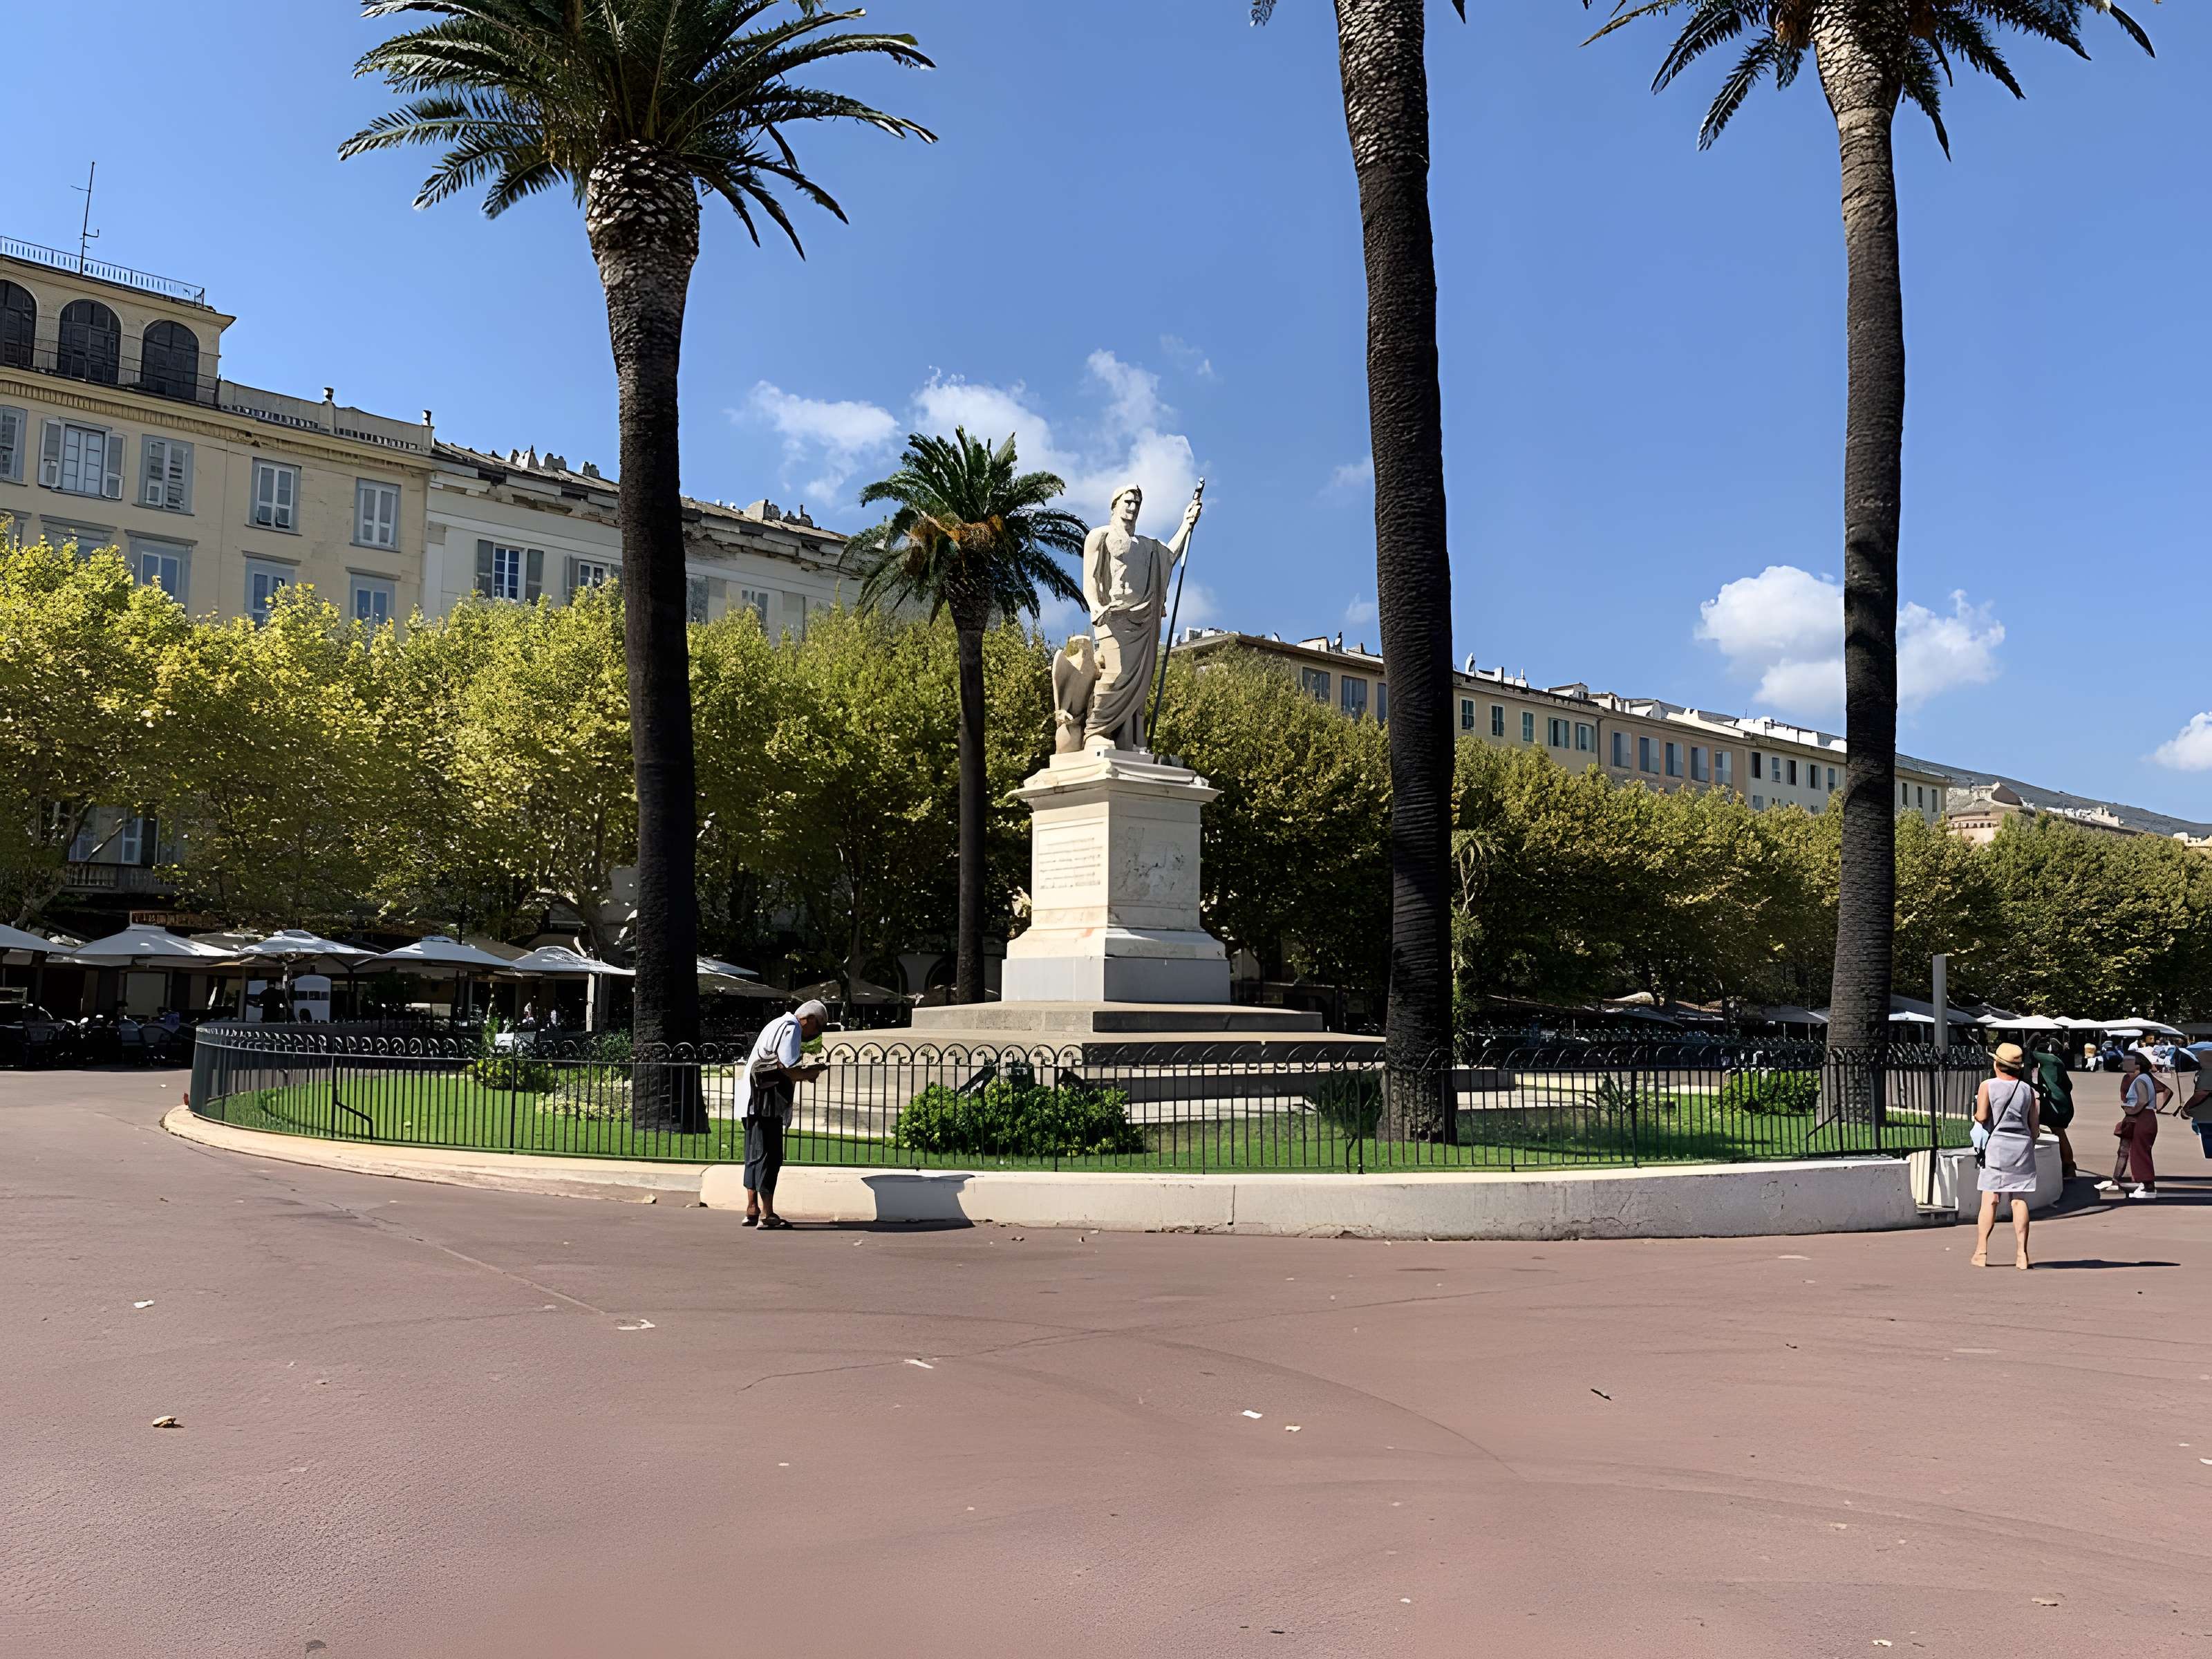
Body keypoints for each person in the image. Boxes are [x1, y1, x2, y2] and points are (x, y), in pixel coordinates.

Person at [736, 1000, 829, 1229]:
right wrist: (810, 1073)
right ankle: (767, 1214)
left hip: (750, 1101)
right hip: (766, 1103)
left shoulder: (776, 1023)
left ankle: (752, 1209)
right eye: (817, 1028)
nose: (814, 1035)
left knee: (753, 1154)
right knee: (770, 1155)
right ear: (810, 1020)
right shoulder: (792, 1027)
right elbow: (787, 1067)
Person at [1973, 1043, 2042, 1270]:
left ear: (1997, 1064)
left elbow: (1982, 1116)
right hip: (2022, 1147)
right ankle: (2022, 1254)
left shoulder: (1988, 1086)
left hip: (1997, 1147)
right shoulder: (2028, 1090)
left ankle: (1981, 1252)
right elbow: (2035, 1128)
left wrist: (1974, 1114)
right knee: (2019, 1199)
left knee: (1991, 1199)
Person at [2096, 1050, 2170, 1200]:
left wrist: (2132, 1110)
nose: (2124, 1064)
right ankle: (2139, 1184)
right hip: (2144, 1117)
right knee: (2137, 1151)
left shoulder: (2141, 1079)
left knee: (2139, 1152)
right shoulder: (2144, 1077)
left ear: (2137, 1065)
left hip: (2141, 1117)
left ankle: (2148, 1186)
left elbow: (2142, 1100)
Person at [2029, 1042, 2079, 1182]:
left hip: (2053, 1104)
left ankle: (2068, 1165)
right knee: (2059, 1132)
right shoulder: (2057, 1061)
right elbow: (2069, 1085)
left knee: (2057, 1131)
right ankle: (2068, 1166)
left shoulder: (2043, 1059)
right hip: (2063, 1103)